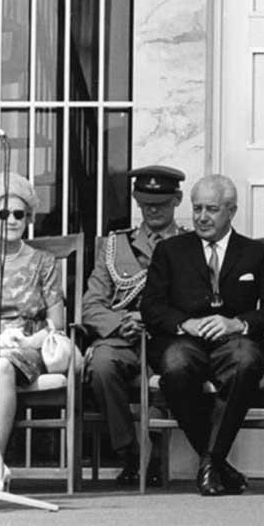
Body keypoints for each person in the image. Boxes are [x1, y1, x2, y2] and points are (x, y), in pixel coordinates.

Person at [140, 174, 264, 496]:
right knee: (176, 364)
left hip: (236, 342)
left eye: (211, 209)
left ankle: (212, 461)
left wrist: (237, 323)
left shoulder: (256, 254)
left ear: (231, 211)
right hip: (183, 341)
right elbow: (151, 307)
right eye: (197, 209)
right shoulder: (170, 251)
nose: (202, 217)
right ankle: (218, 465)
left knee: (247, 360)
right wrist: (185, 324)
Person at [0, 173, 65, 494]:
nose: (12, 220)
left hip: (26, 344)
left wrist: (29, 340)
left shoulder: (44, 262)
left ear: (29, 217)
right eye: (4, 214)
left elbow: (56, 322)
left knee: (3, 366)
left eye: (20, 214)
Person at [81, 164, 186, 486]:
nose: (153, 209)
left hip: (170, 339)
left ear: (177, 200)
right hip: (124, 340)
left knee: (179, 366)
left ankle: (156, 456)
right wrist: (120, 323)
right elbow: (91, 303)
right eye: (145, 202)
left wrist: (152, 319)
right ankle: (130, 452)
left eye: (162, 203)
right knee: (100, 364)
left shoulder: (191, 245)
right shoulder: (116, 245)